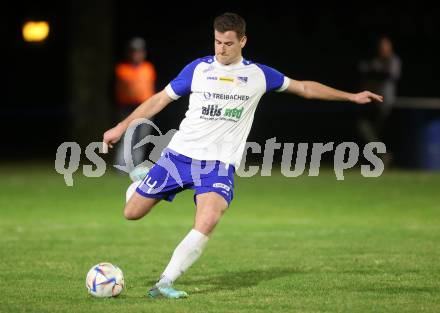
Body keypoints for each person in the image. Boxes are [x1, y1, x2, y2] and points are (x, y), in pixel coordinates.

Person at [103, 12, 383, 299]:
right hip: (179, 155)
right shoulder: (198, 69)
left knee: (209, 219)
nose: (220, 49)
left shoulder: (258, 75)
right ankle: (141, 181)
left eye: (227, 43)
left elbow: (305, 88)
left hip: (218, 165)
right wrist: (122, 126)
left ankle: (165, 282)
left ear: (243, 41)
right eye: (216, 42)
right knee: (132, 213)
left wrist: (350, 96)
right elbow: (160, 99)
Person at [114, 37, 157, 168]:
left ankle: (136, 166)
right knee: (127, 138)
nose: (136, 54)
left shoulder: (148, 68)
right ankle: (122, 167)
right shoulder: (122, 69)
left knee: (142, 139)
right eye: (133, 51)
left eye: (139, 51)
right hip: (128, 108)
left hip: (146, 108)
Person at [357, 36, 401, 147]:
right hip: (372, 101)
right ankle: (381, 155)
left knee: (380, 131)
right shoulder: (376, 61)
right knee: (364, 127)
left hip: (387, 103)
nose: (383, 48)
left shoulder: (393, 60)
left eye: (386, 46)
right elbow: (365, 72)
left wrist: (373, 72)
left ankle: (383, 154)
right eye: (381, 46)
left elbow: (388, 75)